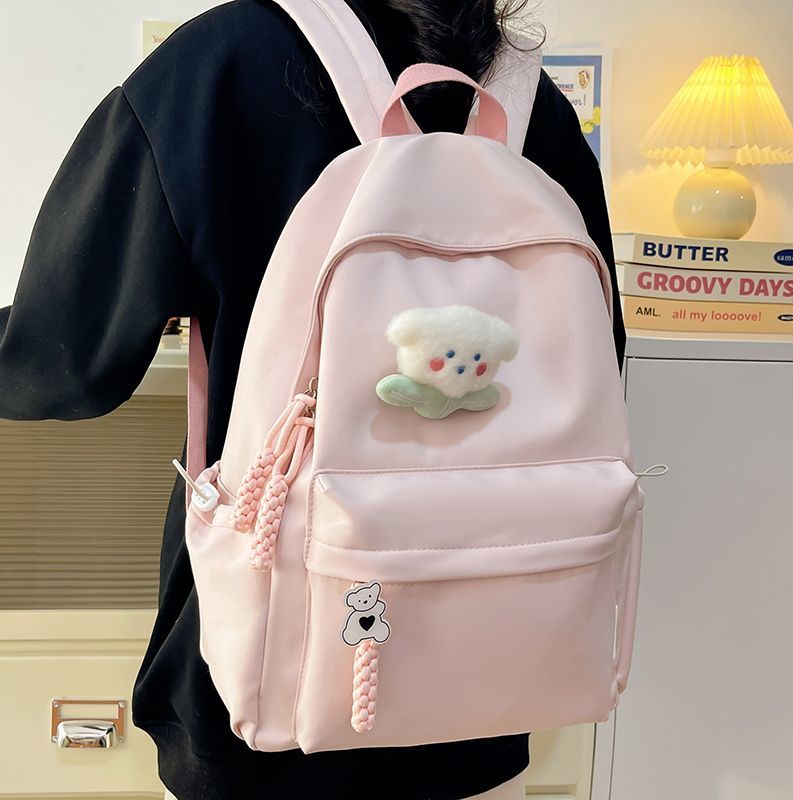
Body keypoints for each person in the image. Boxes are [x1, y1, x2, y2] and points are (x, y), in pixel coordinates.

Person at [0, 1, 625, 797]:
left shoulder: (219, 66)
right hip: (490, 700)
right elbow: (596, 369)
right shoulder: (536, 106)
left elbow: (66, 361)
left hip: (266, 709)